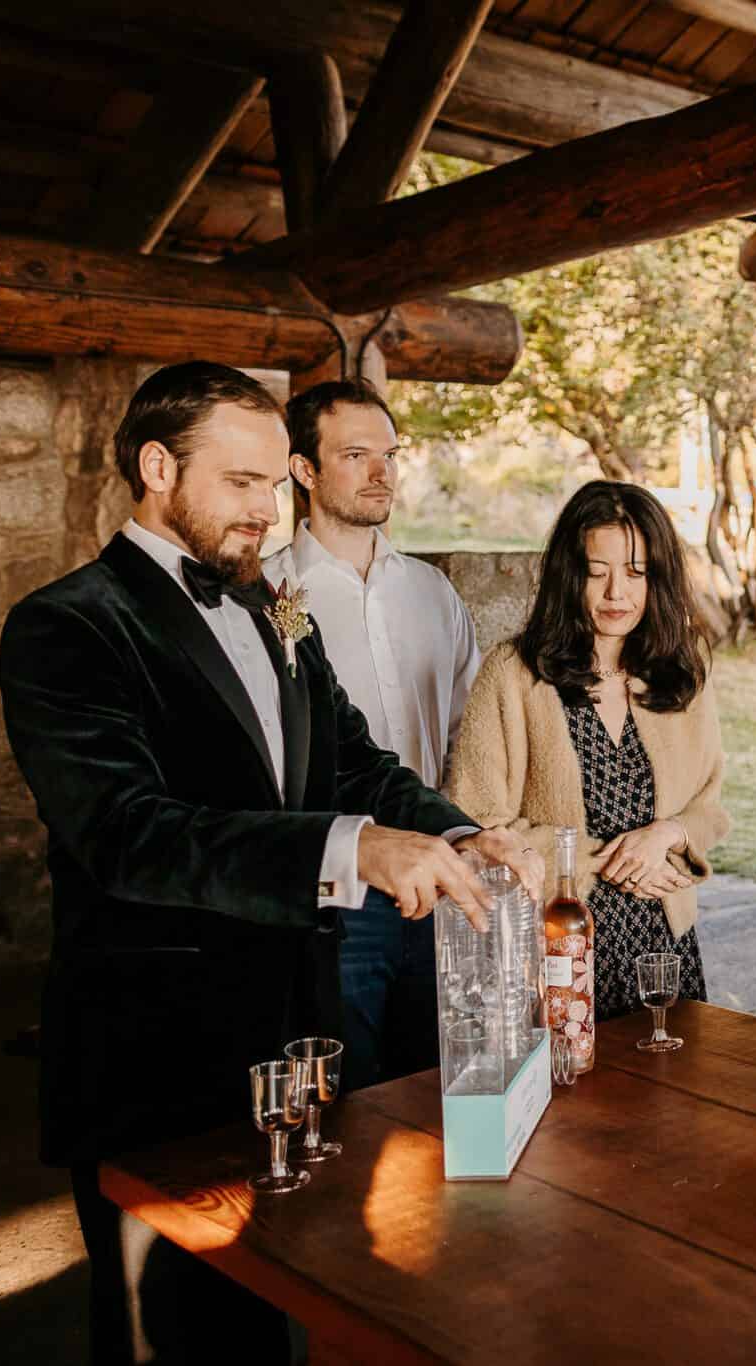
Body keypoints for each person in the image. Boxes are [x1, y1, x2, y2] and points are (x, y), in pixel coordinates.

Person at [0, 361, 539, 1365]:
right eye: (240, 483)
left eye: (274, 486)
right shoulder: (65, 626)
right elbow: (129, 833)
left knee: (272, 1310)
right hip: (152, 1054)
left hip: (290, 1035)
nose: (266, 509)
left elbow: (353, 758)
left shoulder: (272, 607)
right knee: (165, 1331)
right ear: (157, 467)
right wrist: (351, 847)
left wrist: (455, 830)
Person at [264, 379, 482, 1091]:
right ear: (304, 470)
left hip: (437, 881)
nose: (381, 472)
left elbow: (465, 736)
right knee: (342, 1095)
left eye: (389, 453)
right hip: (335, 899)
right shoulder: (269, 599)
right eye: (356, 454)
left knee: (435, 1086)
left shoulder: (433, 593)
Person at [447, 480, 728, 1019]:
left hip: (664, 944)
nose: (616, 593)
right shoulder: (513, 673)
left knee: (673, 1096)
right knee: (576, 1094)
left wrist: (666, 835)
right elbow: (479, 822)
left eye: (636, 573)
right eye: (597, 573)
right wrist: (611, 861)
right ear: (569, 576)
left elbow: (710, 807)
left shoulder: (683, 669)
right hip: (560, 942)